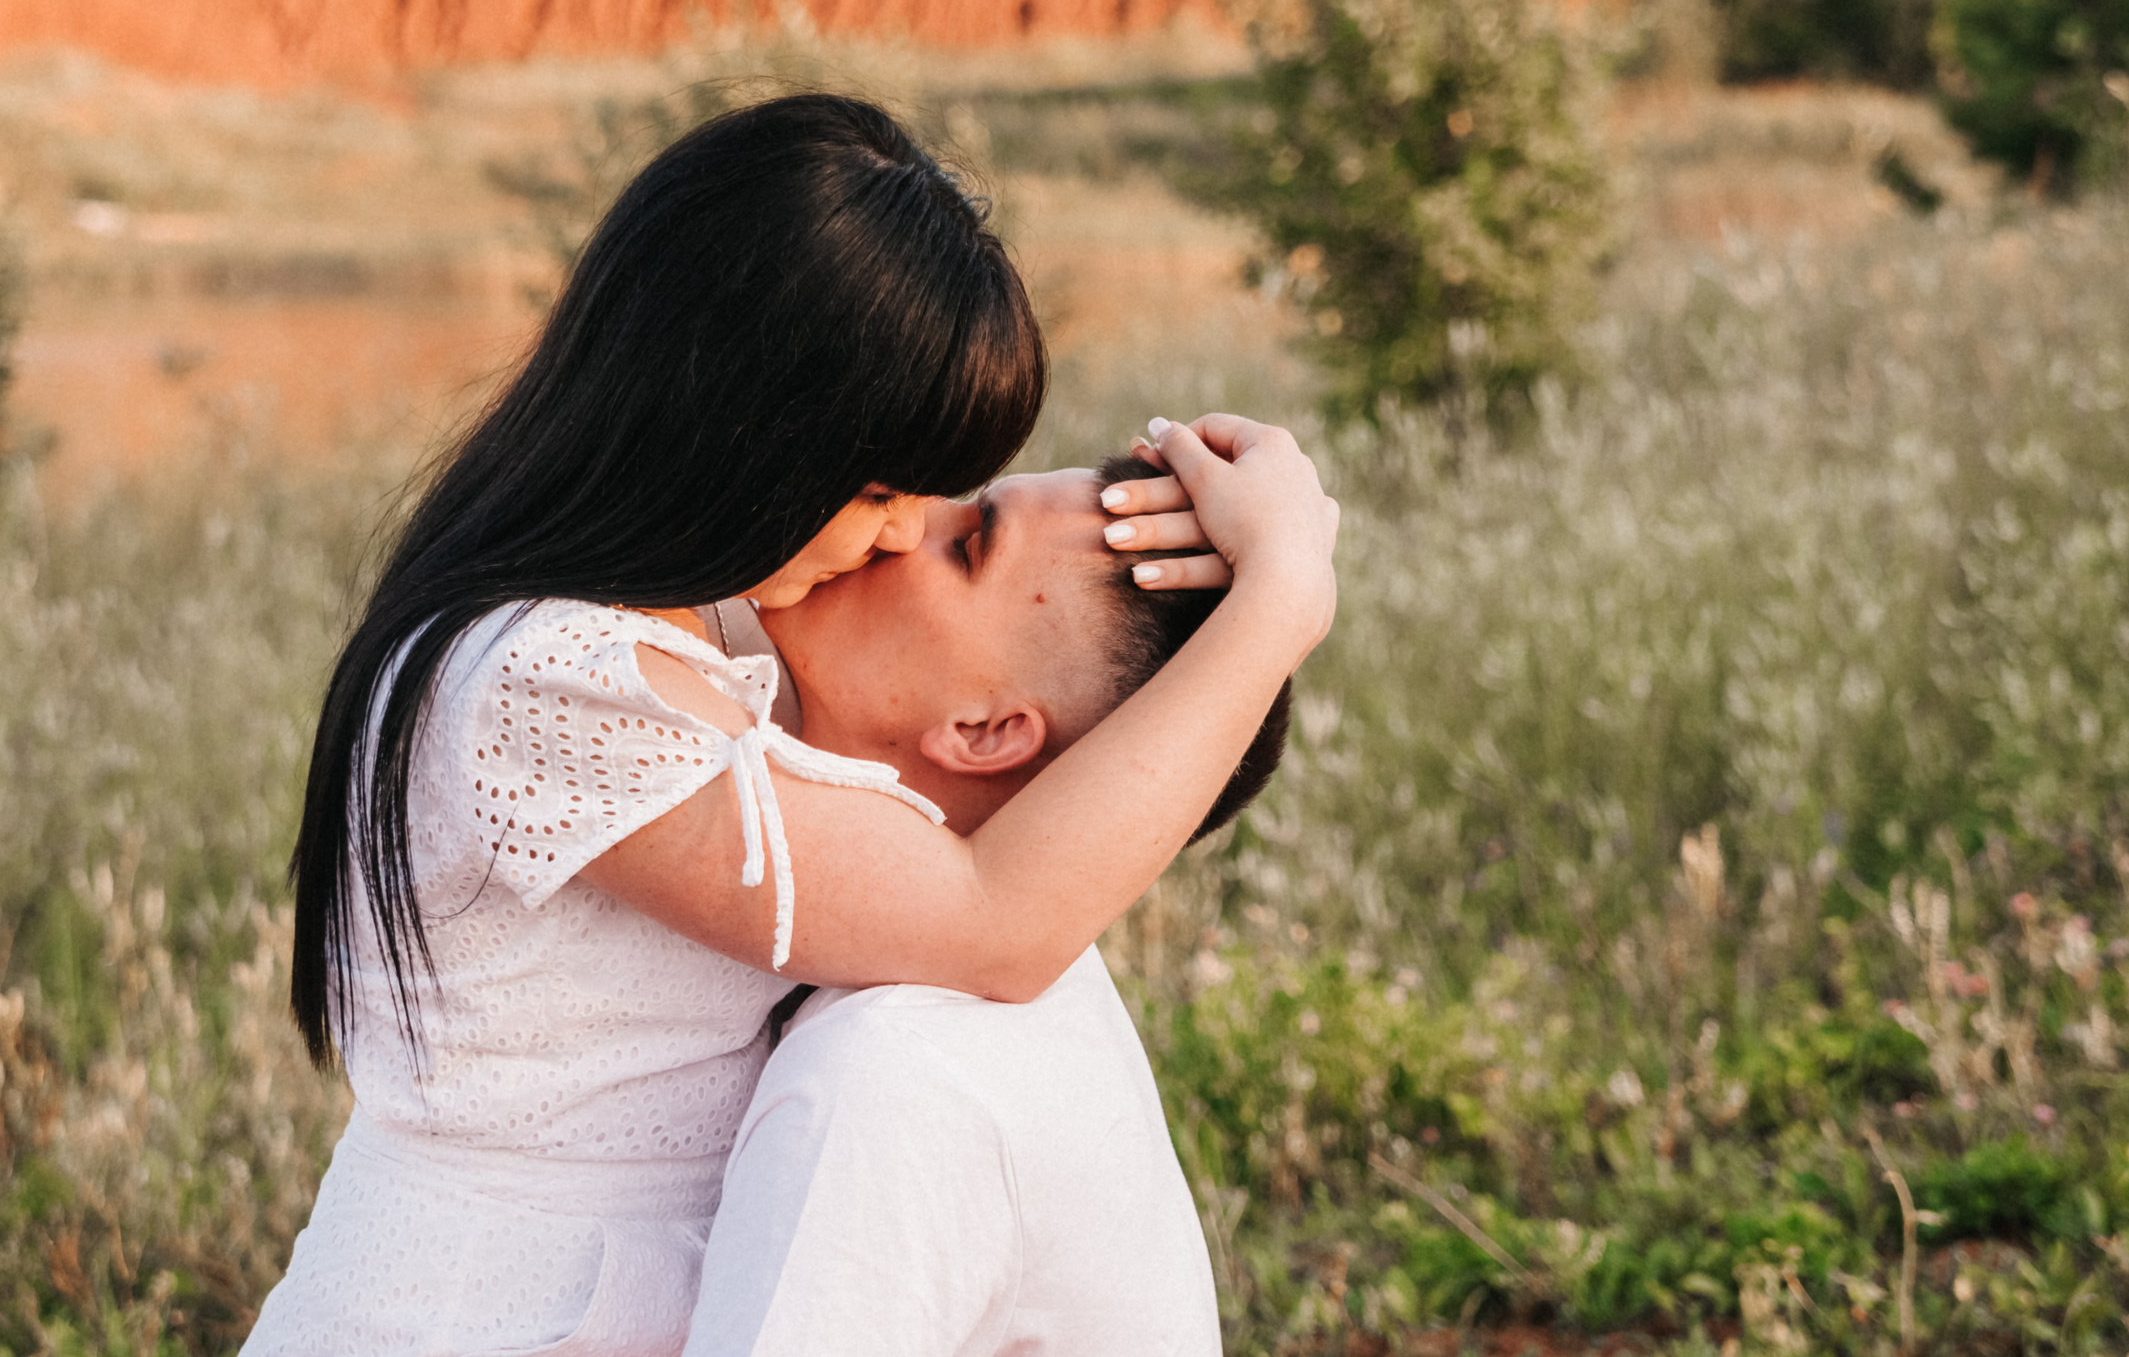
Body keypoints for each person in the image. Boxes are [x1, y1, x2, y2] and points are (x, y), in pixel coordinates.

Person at [247, 95, 1335, 1357]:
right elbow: (993, 919)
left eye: (942, 505)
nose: (897, 534)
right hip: (464, 1318)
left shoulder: (699, 622)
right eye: (880, 489)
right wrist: (1280, 605)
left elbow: (1018, 756)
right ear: (743, 436)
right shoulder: (545, 688)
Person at [685, 453, 1270, 1357]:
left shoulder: (886, 1076)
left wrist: (1290, 595)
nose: (907, 519)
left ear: (986, 731)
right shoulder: (1015, 968)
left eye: (968, 544)